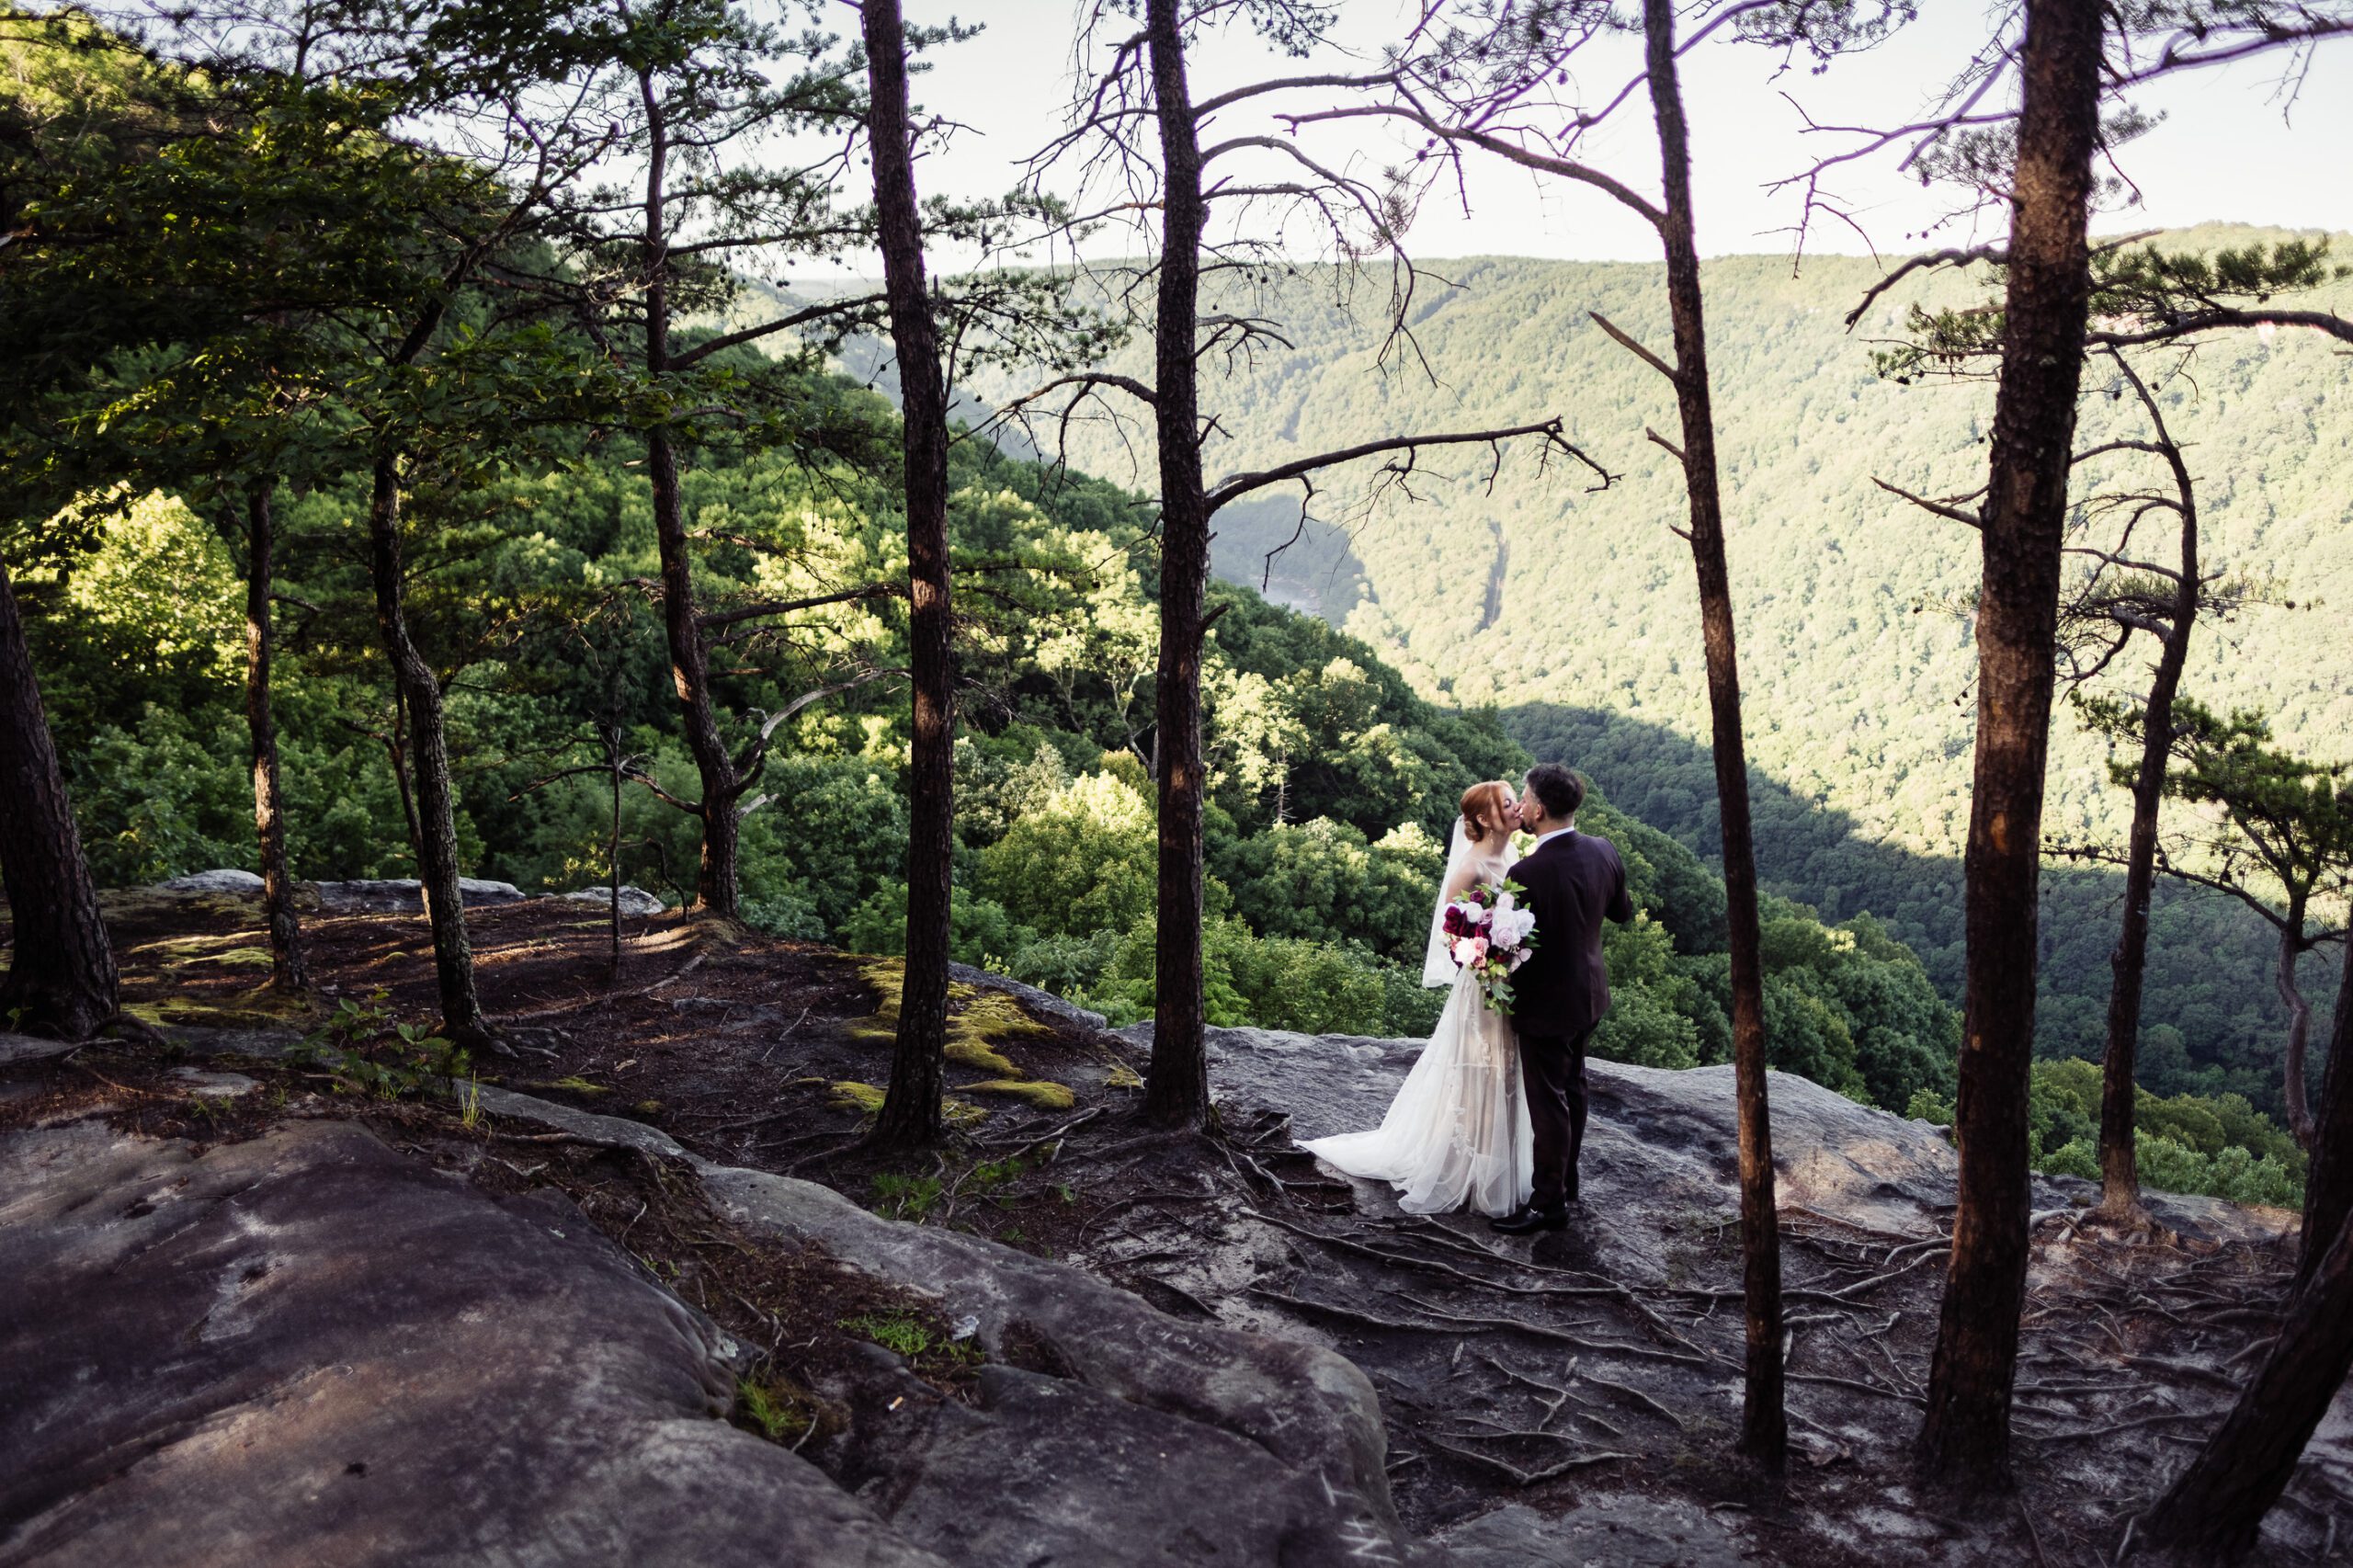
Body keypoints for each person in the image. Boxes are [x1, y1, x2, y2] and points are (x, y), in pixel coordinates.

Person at [1299, 780, 1533, 1217]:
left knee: (1506, 1072)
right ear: (1484, 819)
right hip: (1482, 986)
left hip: (1510, 984)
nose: (1517, 807)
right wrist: (1486, 951)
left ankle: (1496, 1168)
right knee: (1480, 1071)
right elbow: (1452, 934)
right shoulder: (1472, 867)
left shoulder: (1513, 856)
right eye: (1506, 804)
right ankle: (1466, 1171)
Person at [1487, 762, 1633, 1235]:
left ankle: (1549, 1203)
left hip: (1546, 1004)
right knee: (1574, 1086)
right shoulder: (1603, 851)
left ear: (1540, 809)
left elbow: (1506, 946)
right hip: (1590, 995)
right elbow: (1622, 914)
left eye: (1525, 799)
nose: (1522, 807)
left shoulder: (1526, 873)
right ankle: (1567, 1184)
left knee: (1549, 1100)